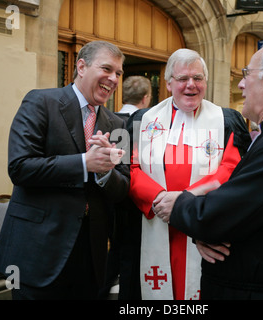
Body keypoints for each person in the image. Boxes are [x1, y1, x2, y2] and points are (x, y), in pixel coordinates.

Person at [154, 39, 263, 300]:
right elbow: (244, 211)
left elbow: (223, 212)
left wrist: (180, 203)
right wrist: (207, 231)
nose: (241, 84)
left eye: (247, 74)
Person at [0, 41, 130, 300]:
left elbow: (123, 187)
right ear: (81, 66)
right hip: (38, 249)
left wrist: (106, 172)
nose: (113, 79)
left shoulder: (118, 124)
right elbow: (20, 167)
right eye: (107, 69)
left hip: (90, 254)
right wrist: (84, 163)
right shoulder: (41, 101)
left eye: (119, 74)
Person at [127, 48, 251, 300]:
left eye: (198, 78)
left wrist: (184, 200)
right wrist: (159, 198)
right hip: (155, 219)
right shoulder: (142, 120)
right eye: (183, 79)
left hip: (204, 223)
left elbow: (232, 168)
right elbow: (131, 168)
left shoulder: (226, 120)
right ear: (169, 83)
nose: (190, 85)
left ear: (206, 81)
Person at [102, 75, 152, 299]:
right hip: (135, 203)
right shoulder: (145, 124)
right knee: (131, 258)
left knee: (112, 255)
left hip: (108, 200)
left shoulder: (108, 119)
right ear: (146, 98)